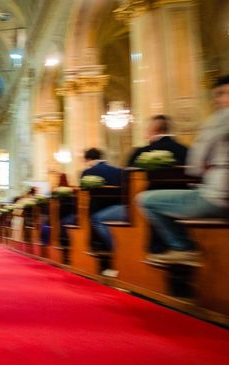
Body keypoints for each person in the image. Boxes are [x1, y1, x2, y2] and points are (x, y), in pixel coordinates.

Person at [138, 75, 229, 265]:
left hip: (218, 198)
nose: (217, 100)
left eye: (221, 94)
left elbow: (195, 165)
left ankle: (182, 248)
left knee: (145, 200)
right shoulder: (180, 147)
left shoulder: (220, 119)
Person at [92, 115, 189, 256]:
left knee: (98, 218)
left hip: (142, 209)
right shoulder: (185, 150)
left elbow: (126, 182)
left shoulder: (140, 153)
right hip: (183, 206)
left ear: (153, 131)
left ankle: (121, 255)